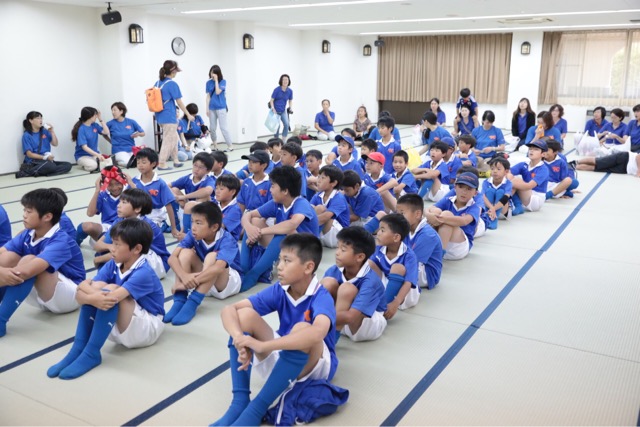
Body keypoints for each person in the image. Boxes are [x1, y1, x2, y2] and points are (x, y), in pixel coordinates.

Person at [212, 234, 337, 426]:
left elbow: (318, 333)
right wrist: (239, 339)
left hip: (314, 367)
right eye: (279, 259)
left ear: (308, 267)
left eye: (287, 261)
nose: (279, 266)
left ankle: (256, 409)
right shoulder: (280, 289)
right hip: (284, 354)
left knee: (303, 329)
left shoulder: (321, 296)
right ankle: (240, 401)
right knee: (243, 316)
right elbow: (228, 310)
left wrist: (263, 346)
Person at [46, 219, 165, 379]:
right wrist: (89, 293)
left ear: (137, 249)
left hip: (147, 328)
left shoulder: (144, 272)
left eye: (117, 244)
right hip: (124, 321)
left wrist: (87, 294)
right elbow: (81, 291)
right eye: (112, 243)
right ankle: (79, 347)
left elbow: (107, 296)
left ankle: (91, 353)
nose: (112, 248)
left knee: (109, 290)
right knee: (99, 290)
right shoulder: (114, 264)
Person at [0, 189, 85, 337]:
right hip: (43, 292)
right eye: (24, 210)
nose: (24, 215)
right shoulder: (28, 233)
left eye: (29, 211)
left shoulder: (61, 240)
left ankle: (0, 321)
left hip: (69, 297)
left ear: (47, 216)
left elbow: (27, 271)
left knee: (28, 261)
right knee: (8, 257)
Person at [239, 166, 319, 291]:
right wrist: (249, 228)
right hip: (288, 246)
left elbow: (292, 224)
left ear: (285, 191)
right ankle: (243, 268)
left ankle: (254, 274)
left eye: (272, 186)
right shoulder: (277, 203)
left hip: (306, 251)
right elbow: (248, 215)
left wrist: (260, 232)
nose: (270, 190)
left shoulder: (301, 203)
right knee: (254, 222)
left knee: (283, 234)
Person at [163, 202, 242, 326]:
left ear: (214, 227)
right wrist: (184, 277)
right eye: (192, 222)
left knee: (212, 257)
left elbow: (218, 268)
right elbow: (172, 258)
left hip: (225, 285)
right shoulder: (193, 235)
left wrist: (187, 283)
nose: (193, 227)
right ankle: (179, 299)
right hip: (204, 282)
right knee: (185, 253)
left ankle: (193, 302)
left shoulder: (227, 239)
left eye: (198, 223)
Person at [321, 226, 386, 341]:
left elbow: (351, 317)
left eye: (343, 250)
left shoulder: (371, 281)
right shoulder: (334, 270)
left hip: (365, 324)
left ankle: (330, 340)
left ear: (360, 257)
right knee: (328, 282)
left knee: (347, 289)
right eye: (337, 247)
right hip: (340, 317)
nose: (337, 253)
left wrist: (317, 317)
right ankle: (327, 331)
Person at [94, 189, 170, 280]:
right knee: (107, 251)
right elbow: (98, 245)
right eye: (119, 202)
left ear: (137, 209)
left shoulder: (143, 226)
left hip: (157, 263)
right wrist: (110, 247)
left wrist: (99, 259)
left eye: (124, 202)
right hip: (136, 255)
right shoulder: (120, 220)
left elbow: (125, 253)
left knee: (112, 256)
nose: (118, 205)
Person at [369, 213, 419, 319]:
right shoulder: (378, 248)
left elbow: (408, 283)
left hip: (405, 293)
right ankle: (379, 299)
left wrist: (396, 303)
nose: (378, 233)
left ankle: (384, 307)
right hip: (388, 283)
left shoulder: (409, 255)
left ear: (396, 237)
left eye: (382, 230)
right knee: (369, 263)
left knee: (398, 268)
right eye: (379, 229)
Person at [425, 172, 481, 261]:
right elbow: (429, 209)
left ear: (475, 193)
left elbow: (464, 221)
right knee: (436, 211)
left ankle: (438, 255)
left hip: (458, 247)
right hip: (442, 239)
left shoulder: (474, 207)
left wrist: (441, 219)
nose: (464, 192)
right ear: (455, 187)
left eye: (469, 189)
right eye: (461, 187)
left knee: (446, 215)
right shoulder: (448, 200)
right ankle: (430, 248)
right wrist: (429, 215)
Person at [396, 194, 442, 289]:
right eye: (397, 214)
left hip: (427, 274)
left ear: (417, 214)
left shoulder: (428, 235)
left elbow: (412, 262)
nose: (398, 218)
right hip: (412, 264)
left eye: (402, 213)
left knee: (393, 270)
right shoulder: (406, 228)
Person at [76, 165, 130, 246]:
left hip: (125, 229)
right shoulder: (103, 194)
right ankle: (74, 244)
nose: (115, 188)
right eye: (110, 184)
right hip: (106, 229)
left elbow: (142, 204)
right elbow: (90, 213)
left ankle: (105, 246)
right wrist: (97, 190)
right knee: (85, 226)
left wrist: (131, 183)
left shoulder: (130, 192)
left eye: (117, 183)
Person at [155, 60, 194, 170]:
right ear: (173, 71)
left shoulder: (158, 83)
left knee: (174, 137)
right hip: (169, 116)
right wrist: (188, 114)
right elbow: (179, 102)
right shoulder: (172, 84)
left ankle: (176, 160)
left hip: (160, 116)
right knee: (168, 139)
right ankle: (162, 163)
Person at [131, 148, 179, 237]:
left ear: (153, 164)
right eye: (138, 162)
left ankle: (163, 225)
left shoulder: (160, 183)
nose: (140, 165)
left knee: (145, 234)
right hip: (138, 215)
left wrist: (173, 228)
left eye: (143, 162)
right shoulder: (134, 181)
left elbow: (168, 205)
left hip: (156, 217)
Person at [20, 111, 71, 177]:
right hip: (34, 162)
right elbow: (29, 154)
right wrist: (44, 157)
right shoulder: (27, 135)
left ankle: (46, 172)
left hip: (46, 161)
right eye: (38, 118)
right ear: (31, 121)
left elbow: (55, 144)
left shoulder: (44, 131)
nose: (41, 120)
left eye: (41, 118)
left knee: (68, 165)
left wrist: (52, 131)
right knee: (50, 165)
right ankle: (29, 172)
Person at [310, 166, 350, 248]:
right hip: (324, 233)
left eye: (323, 178)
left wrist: (304, 225)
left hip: (339, 237)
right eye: (318, 177)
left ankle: (309, 238)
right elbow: (308, 211)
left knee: (321, 209)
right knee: (313, 209)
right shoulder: (318, 195)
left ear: (333, 183)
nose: (318, 180)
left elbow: (325, 218)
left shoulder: (339, 197)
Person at [508, 140, 550, 215]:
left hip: (536, 199)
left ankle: (504, 203)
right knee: (510, 177)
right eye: (530, 149)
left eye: (536, 149)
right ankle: (516, 205)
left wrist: (509, 183)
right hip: (525, 195)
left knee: (515, 180)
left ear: (543, 154)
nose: (532, 151)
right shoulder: (524, 164)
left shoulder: (543, 169)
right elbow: (507, 173)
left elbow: (529, 186)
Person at [105, 102, 145, 168]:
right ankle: (115, 161)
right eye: (112, 110)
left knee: (142, 161)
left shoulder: (131, 122)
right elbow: (103, 133)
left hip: (131, 149)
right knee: (129, 162)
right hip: (118, 150)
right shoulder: (110, 123)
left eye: (114, 110)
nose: (113, 112)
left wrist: (138, 134)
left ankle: (118, 162)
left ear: (121, 111)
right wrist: (110, 141)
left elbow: (143, 133)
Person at [72, 106, 111, 173]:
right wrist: (98, 155)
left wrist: (100, 119)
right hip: (82, 156)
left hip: (94, 155)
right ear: (90, 116)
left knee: (108, 163)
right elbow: (84, 147)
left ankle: (95, 163)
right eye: (95, 115)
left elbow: (106, 132)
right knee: (93, 166)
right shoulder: (81, 129)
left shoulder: (95, 125)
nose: (96, 116)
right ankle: (84, 165)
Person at [206, 64, 233, 152]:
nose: (212, 74)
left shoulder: (223, 82)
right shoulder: (208, 83)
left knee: (223, 128)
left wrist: (216, 80)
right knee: (212, 128)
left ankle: (230, 146)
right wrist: (207, 108)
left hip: (221, 107)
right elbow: (208, 97)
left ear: (218, 73)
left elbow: (217, 92)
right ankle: (215, 146)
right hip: (212, 108)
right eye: (211, 72)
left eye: (214, 73)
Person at [481, 157, 512, 230]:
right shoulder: (486, 182)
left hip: (503, 212)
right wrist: (491, 208)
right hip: (489, 210)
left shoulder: (508, 183)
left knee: (500, 192)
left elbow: (505, 198)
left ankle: (493, 220)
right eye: (492, 169)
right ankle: (488, 218)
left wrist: (493, 209)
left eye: (498, 169)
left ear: (506, 171)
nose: (495, 171)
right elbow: (483, 196)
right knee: (490, 191)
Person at [215, 174, 243, 240]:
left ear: (233, 192)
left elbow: (219, 228)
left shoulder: (235, 210)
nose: (217, 191)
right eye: (216, 188)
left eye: (221, 189)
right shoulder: (214, 204)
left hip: (226, 243)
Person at [572, 150, 640, 177]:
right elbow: (638, 157)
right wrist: (639, 171)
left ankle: (575, 167)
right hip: (626, 158)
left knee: (595, 168)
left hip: (625, 170)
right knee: (598, 161)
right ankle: (576, 162)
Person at [269, 74, 293, 140]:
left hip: (283, 110)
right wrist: (273, 108)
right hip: (275, 110)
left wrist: (290, 107)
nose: (285, 81)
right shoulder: (276, 90)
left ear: (288, 81)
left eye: (286, 80)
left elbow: (290, 100)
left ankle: (283, 140)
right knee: (277, 126)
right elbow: (271, 100)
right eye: (284, 80)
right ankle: (276, 140)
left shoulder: (290, 91)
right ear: (281, 81)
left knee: (286, 124)